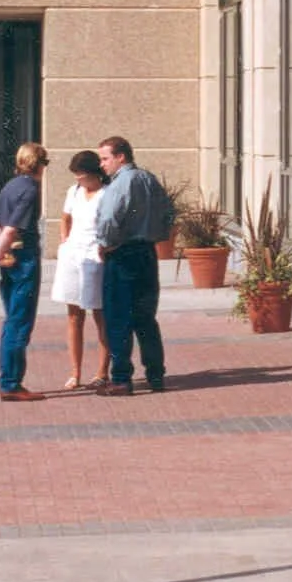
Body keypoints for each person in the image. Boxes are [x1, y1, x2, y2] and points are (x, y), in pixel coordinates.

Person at [92, 134, 171, 396]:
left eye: (105, 158)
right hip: (147, 254)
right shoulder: (149, 180)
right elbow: (168, 213)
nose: (102, 164)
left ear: (120, 157)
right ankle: (156, 374)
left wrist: (105, 244)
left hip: (123, 255)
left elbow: (109, 220)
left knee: (118, 318)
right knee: (146, 318)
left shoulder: (120, 184)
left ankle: (121, 378)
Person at [0, 140, 51, 402]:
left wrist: (2, 252)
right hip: (23, 259)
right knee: (19, 322)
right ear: (38, 164)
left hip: (12, 257)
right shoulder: (31, 190)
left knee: (11, 319)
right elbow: (11, 229)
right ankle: (11, 383)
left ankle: (8, 380)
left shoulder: (9, 187)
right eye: (45, 163)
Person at [49, 147, 112, 390]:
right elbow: (65, 218)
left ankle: (101, 371)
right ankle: (75, 372)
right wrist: (64, 241)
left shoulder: (106, 194)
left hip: (95, 257)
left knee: (100, 315)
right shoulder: (73, 191)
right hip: (73, 255)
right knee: (74, 315)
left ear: (94, 173)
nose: (78, 179)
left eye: (81, 175)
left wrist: (103, 249)